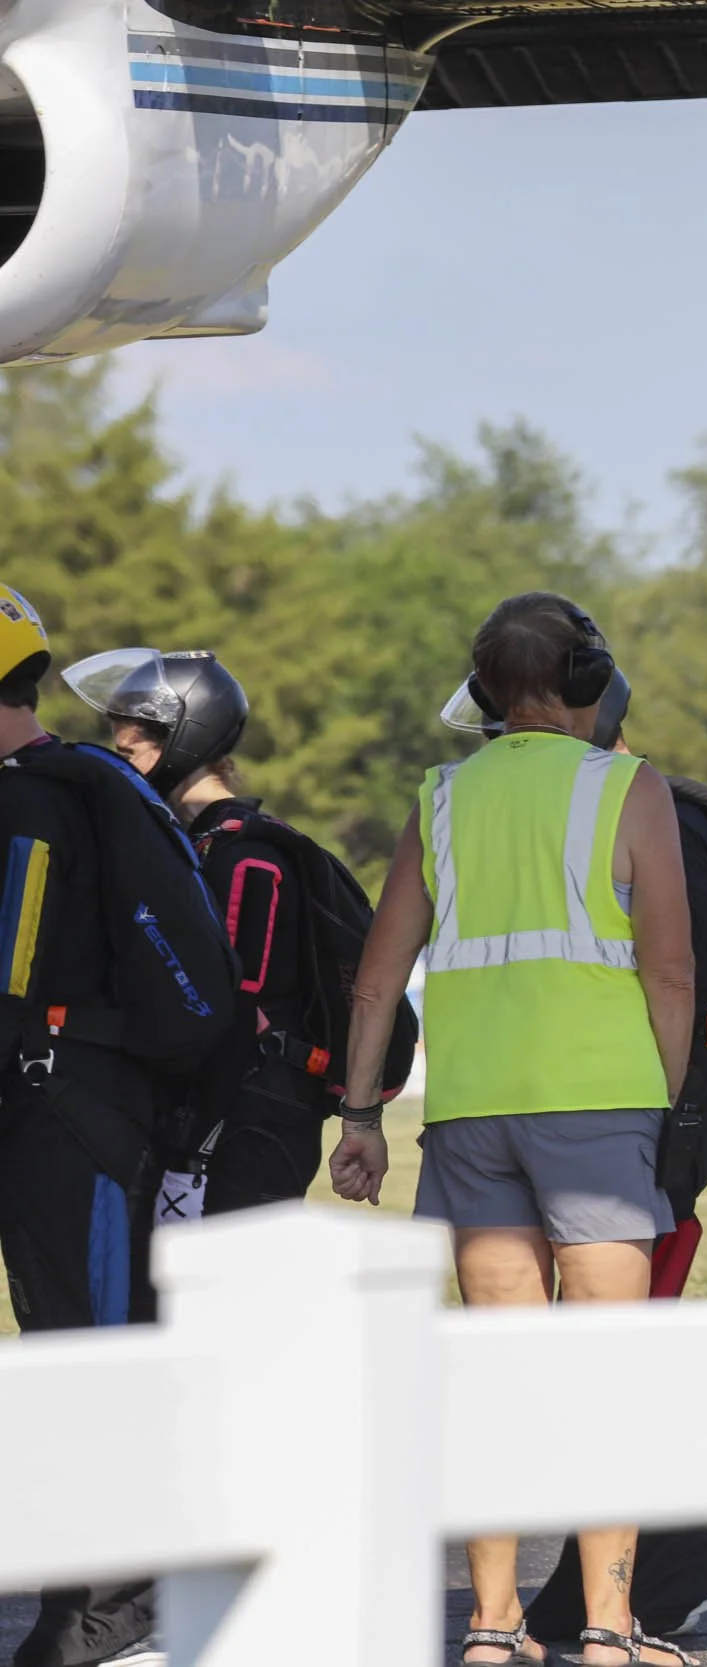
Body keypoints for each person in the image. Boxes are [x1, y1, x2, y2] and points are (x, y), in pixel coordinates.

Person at [325, 593, 700, 1667]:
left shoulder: (439, 796)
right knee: (603, 1369)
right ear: (586, 680)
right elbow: (669, 967)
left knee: (497, 1365)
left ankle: (490, 1625)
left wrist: (360, 1112)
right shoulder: (629, 785)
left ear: (484, 691)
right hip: (598, 1105)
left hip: (470, 1114)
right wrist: (661, 1102)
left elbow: (376, 975)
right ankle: (607, 1624)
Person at [0, 596, 240, 1667]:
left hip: (73, 1111)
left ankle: (114, 1611)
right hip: (40, 1103)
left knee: (90, 1348)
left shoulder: (84, 790)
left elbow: (189, 995)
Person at [63, 648, 347, 1216]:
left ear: (188, 733)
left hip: (251, 1111)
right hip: (209, 1107)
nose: (124, 750)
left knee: (233, 1294)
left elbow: (232, 1011)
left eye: (138, 738)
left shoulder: (245, 856)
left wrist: (188, 1139)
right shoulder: (189, 845)